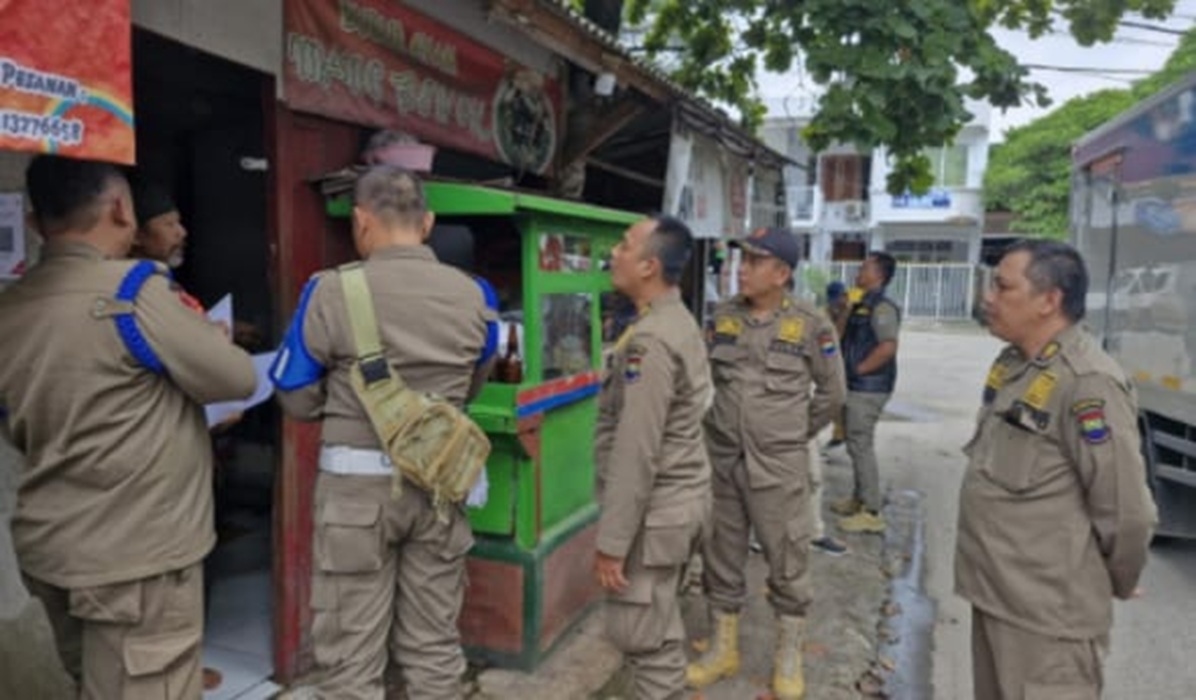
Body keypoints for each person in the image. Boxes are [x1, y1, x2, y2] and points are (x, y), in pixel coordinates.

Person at [0, 155, 256, 698]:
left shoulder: (10, 305)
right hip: (133, 559)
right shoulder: (133, 291)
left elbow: (15, 421)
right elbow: (235, 378)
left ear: (32, 218)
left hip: (49, 547)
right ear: (121, 208)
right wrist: (210, 340)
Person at [269, 166, 496, 700]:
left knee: (350, 660)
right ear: (429, 223)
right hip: (441, 486)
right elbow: (473, 387)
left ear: (361, 221)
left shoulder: (329, 291)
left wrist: (344, 402)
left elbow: (294, 394)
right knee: (434, 650)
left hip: (353, 496)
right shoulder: (476, 296)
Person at [955, 240, 1156, 700]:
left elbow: (1126, 511)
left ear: (1050, 300)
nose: (988, 297)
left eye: (1003, 287)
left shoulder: (1087, 382)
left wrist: (1118, 581)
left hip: (1047, 618)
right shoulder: (1014, 365)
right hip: (996, 596)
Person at [686, 228, 846, 699]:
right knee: (720, 553)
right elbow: (706, 376)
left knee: (787, 558)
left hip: (776, 466)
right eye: (743, 260)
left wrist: (791, 433)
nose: (743, 268)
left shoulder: (812, 324)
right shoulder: (723, 316)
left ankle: (789, 656)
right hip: (723, 459)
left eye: (755, 262)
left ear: (782, 273)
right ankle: (723, 648)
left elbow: (833, 393)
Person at [593, 215, 712, 700]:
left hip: (656, 513)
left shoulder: (652, 341)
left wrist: (613, 542)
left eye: (623, 245)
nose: (613, 255)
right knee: (658, 627)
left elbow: (637, 450)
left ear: (649, 266)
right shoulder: (671, 320)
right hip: (679, 503)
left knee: (642, 639)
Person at [833, 252, 901, 534]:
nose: (859, 271)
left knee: (860, 444)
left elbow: (887, 346)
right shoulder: (860, 303)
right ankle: (859, 498)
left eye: (865, 267)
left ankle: (872, 511)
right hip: (855, 384)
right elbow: (838, 336)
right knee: (854, 442)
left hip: (869, 387)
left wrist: (860, 370)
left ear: (879, 275)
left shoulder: (882, 307)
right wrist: (846, 309)